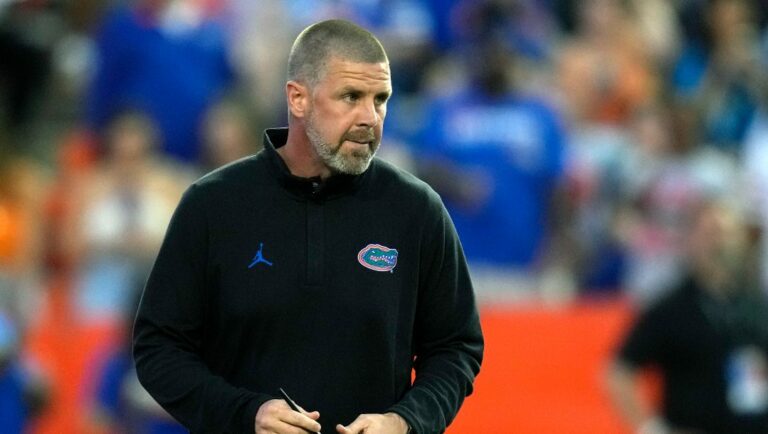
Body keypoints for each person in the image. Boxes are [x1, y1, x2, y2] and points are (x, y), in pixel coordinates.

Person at [133, 19, 484, 434]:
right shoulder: (213, 206)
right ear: (297, 99)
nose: (370, 117)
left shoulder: (417, 210)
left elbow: (455, 348)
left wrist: (405, 421)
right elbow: (158, 348)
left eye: (381, 99)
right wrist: (245, 414)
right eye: (351, 96)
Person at [606, 201, 768, 433]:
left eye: (727, 234)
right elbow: (619, 372)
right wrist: (651, 428)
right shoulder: (671, 308)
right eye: (710, 234)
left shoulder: (756, 304)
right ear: (691, 240)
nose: (719, 243)